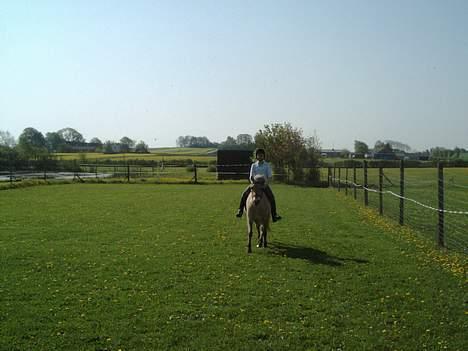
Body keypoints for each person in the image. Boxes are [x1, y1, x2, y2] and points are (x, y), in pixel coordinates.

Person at [236, 148, 282, 222]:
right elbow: (251, 176)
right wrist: (253, 183)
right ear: (256, 156)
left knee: (271, 197)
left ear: (264, 156)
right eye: (258, 155)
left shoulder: (267, 165)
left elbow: (269, 177)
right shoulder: (253, 165)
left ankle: (274, 214)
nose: (260, 156)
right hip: (254, 184)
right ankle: (240, 210)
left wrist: (265, 184)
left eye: (261, 155)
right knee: (244, 194)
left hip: (264, 184)